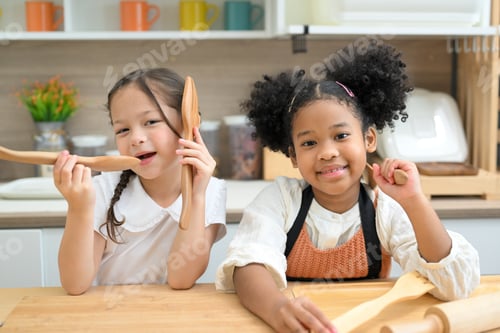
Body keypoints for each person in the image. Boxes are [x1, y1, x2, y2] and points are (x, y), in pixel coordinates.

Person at [216, 38, 480, 333]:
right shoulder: (280, 200)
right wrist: (278, 309)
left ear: (368, 139)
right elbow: (248, 265)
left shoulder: (386, 209)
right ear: (293, 156)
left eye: (340, 136)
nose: (327, 152)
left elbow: (454, 284)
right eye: (309, 142)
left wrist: (414, 200)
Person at [54, 68, 226, 295]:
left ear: (189, 123)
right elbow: (75, 284)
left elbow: (181, 278)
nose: (136, 138)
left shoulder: (210, 190)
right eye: (123, 129)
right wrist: (78, 208)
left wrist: (196, 195)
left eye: (151, 121)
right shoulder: (101, 191)